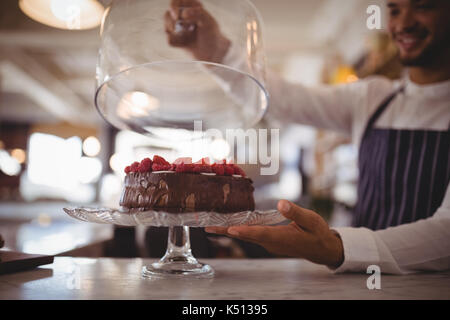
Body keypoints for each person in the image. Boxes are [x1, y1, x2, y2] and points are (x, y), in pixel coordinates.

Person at [164, 0, 450, 273]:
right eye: (395, 10)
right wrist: (212, 48)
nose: (404, 23)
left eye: (424, 6)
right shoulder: (374, 97)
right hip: (363, 281)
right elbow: (285, 99)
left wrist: (335, 247)